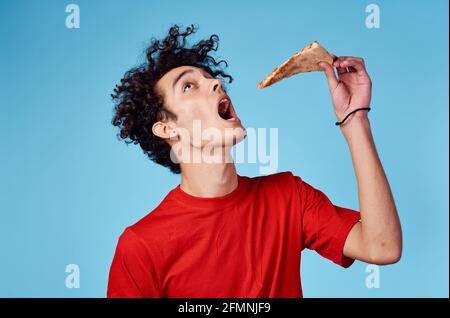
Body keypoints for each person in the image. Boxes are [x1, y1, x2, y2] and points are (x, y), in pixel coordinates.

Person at [107, 24, 402, 298]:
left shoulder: (288, 196)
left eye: (211, 78)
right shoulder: (141, 246)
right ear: (166, 128)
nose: (215, 85)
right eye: (188, 86)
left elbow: (382, 246)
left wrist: (355, 120)